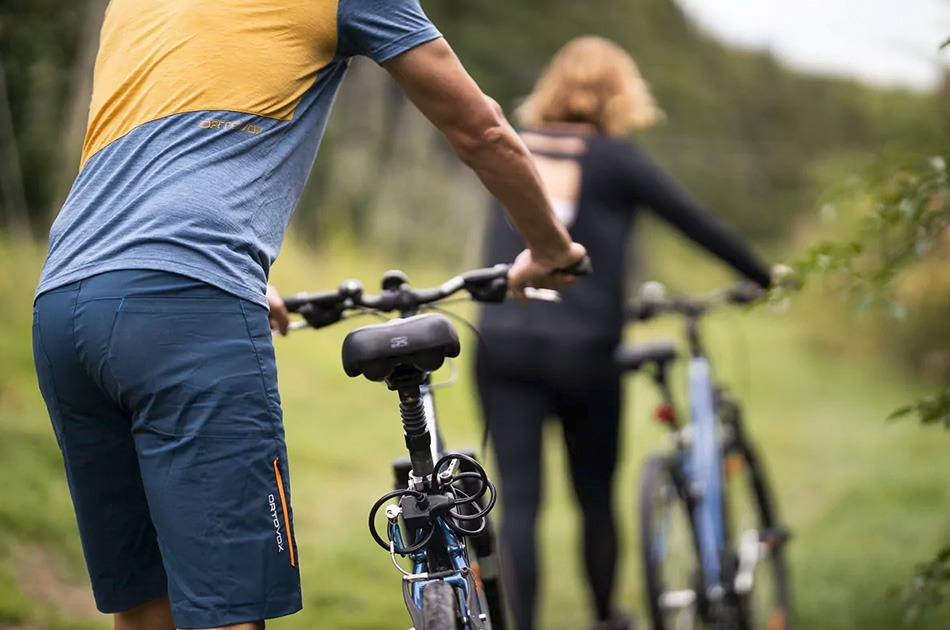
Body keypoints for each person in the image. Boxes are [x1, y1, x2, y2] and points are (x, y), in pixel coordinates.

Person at [31, 2, 587, 629]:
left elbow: (156, 152)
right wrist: (548, 248)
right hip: (183, 307)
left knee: (145, 611)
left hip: (66, 298)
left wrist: (227, 274)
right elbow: (479, 130)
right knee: (226, 614)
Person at [475, 36, 776, 630]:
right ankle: (605, 618)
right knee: (594, 498)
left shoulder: (515, 148)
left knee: (520, 504)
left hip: (503, 341)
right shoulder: (615, 158)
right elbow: (696, 221)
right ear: (622, 94)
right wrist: (763, 276)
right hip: (584, 351)